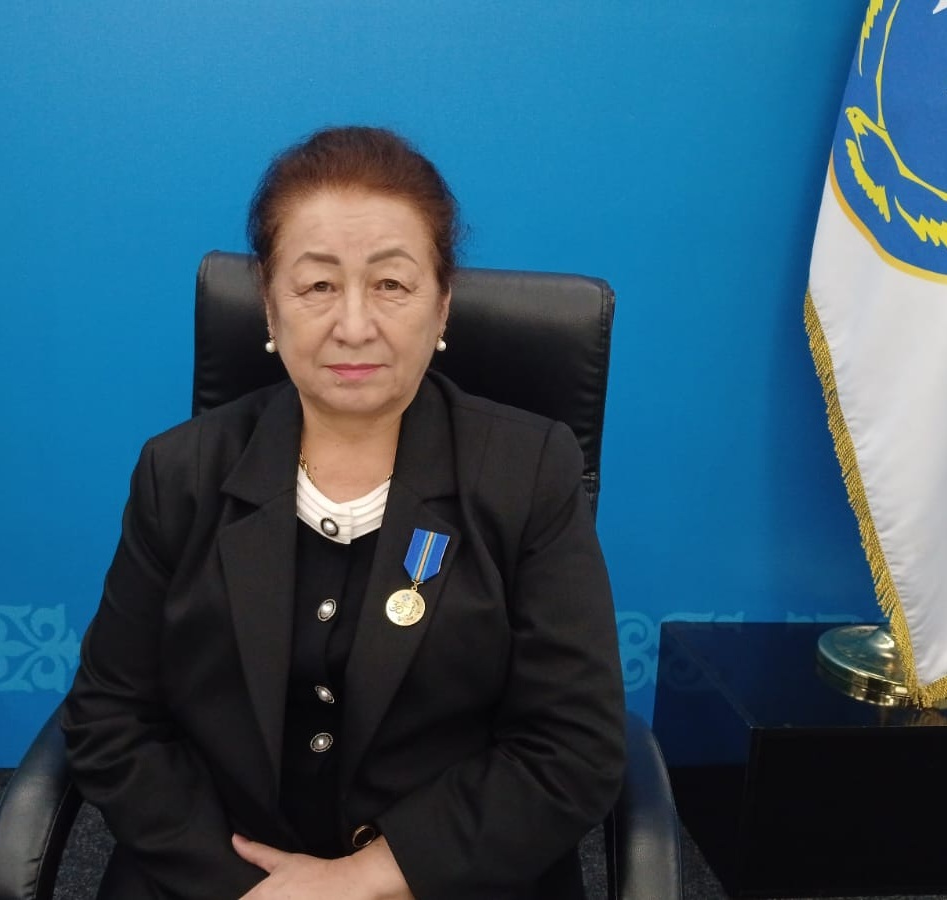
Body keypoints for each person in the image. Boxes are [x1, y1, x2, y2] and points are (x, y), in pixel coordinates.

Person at [62, 125, 626, 900]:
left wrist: (364, 879)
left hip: (446, 880)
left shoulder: (528, 474)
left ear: (442, 305)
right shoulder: (181, 474)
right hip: (221, 880)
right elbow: (110, 718)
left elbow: (573, 748)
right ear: (269, 308)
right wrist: (248, 886)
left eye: (391, 284)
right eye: (318, 286)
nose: (354, 326)